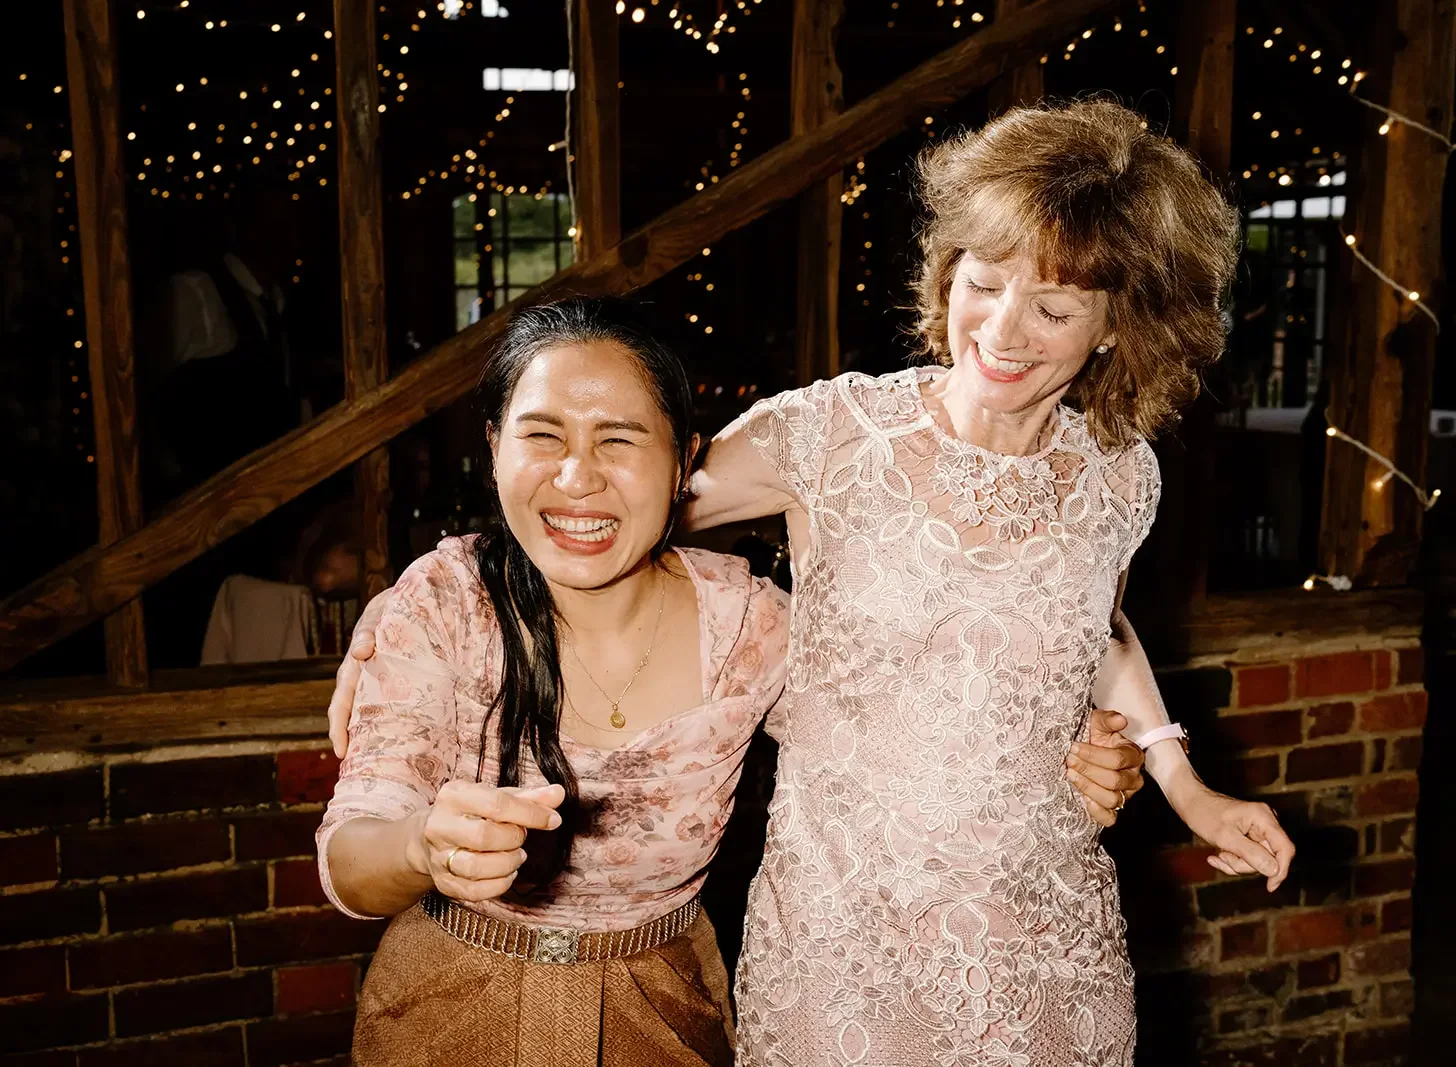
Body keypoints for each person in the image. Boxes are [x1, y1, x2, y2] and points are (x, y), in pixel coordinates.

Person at [330, 100, 1290, 1065]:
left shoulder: (1120, 475)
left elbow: (1102, 631)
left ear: (1119, 323)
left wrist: (1185, 783)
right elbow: (609, 503)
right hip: (846, 934)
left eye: (1051, 308)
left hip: (1036, 917)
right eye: (982, 282)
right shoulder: (832, 437)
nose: (1001, 330)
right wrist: (438, 591)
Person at [318, 299, 790, 1065]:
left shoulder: (748, 625)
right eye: (542, 436)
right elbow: (349, 856)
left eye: (619, 439)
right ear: (495, 447)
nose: (577, 477)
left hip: (665, 1018)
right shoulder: (445, 604)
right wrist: (420, 847)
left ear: (682, 460)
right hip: (447, 1015)